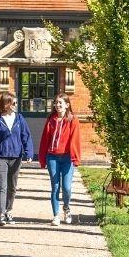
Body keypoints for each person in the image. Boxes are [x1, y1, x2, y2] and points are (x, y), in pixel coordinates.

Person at [0, 93, 33, 226]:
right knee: (2, 186)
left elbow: (26, 136)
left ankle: (9, 211)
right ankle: (1, 214)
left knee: (12, 187)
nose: (16, 105)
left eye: (16, 103)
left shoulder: (19, 119)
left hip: (16, 157)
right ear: (6, 104)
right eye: (14, 103)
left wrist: (29, 153)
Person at [38, 95, 84, 225]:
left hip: (67, 158)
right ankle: (56, 215)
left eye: (60, 103)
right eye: (56, 103)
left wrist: (75, 158)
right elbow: (44, 140)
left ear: (67, 105)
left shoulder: (73, 120)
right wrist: (42, 159)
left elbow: (75, 140)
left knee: (67, 187)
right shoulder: (51, 120)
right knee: (55, 186)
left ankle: (67, 208)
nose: (57, 105)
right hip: (52, 157)